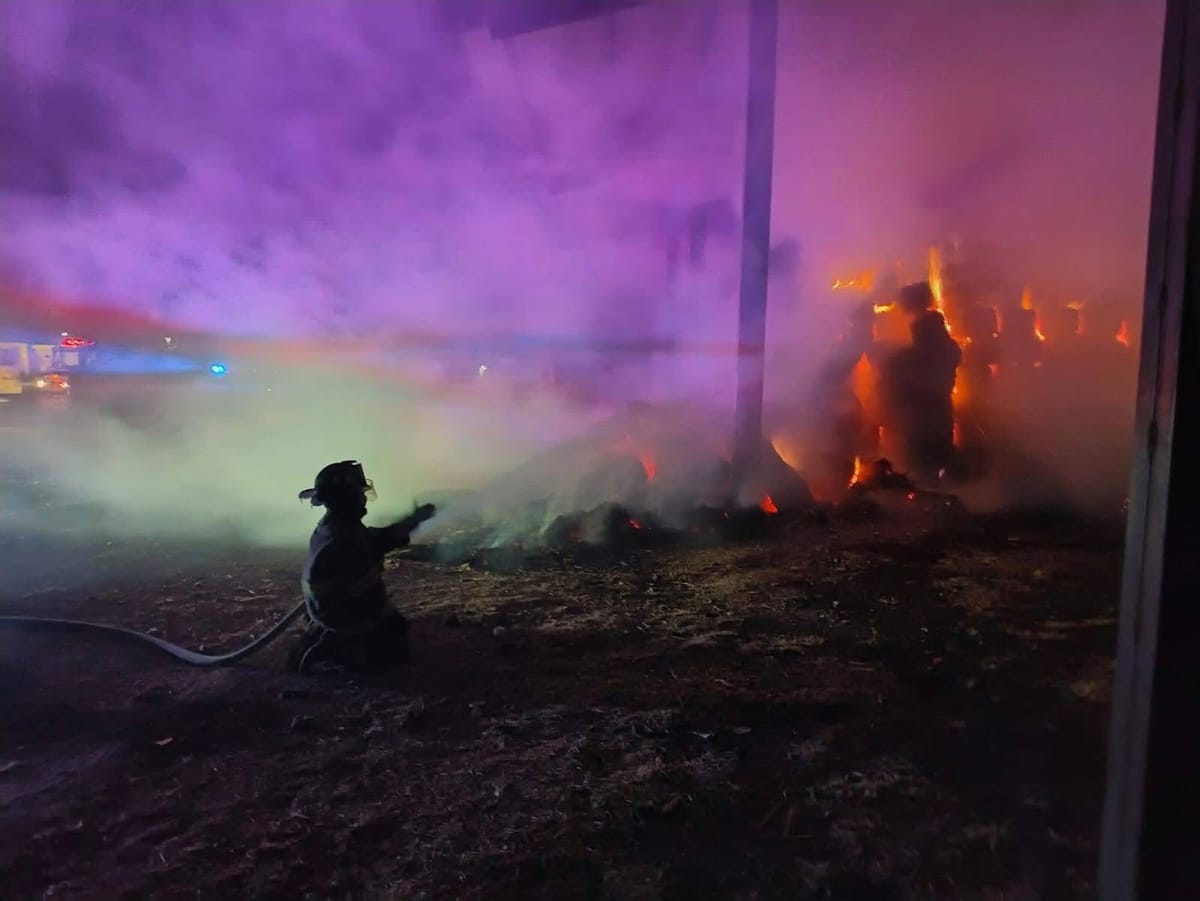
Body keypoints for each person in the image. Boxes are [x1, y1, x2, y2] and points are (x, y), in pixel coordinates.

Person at [288, 460, 437, 675]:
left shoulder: (336, 525)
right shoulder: (346, 535)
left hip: (326, 606)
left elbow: (377, 539)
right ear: (346, 500)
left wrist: (413, 520)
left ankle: (327, 633)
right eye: (359, 494)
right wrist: (413, 521)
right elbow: (379, 542)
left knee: (392, 628)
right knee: (393, 646)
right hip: (340, 610)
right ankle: (332, 649)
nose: (364, 498)